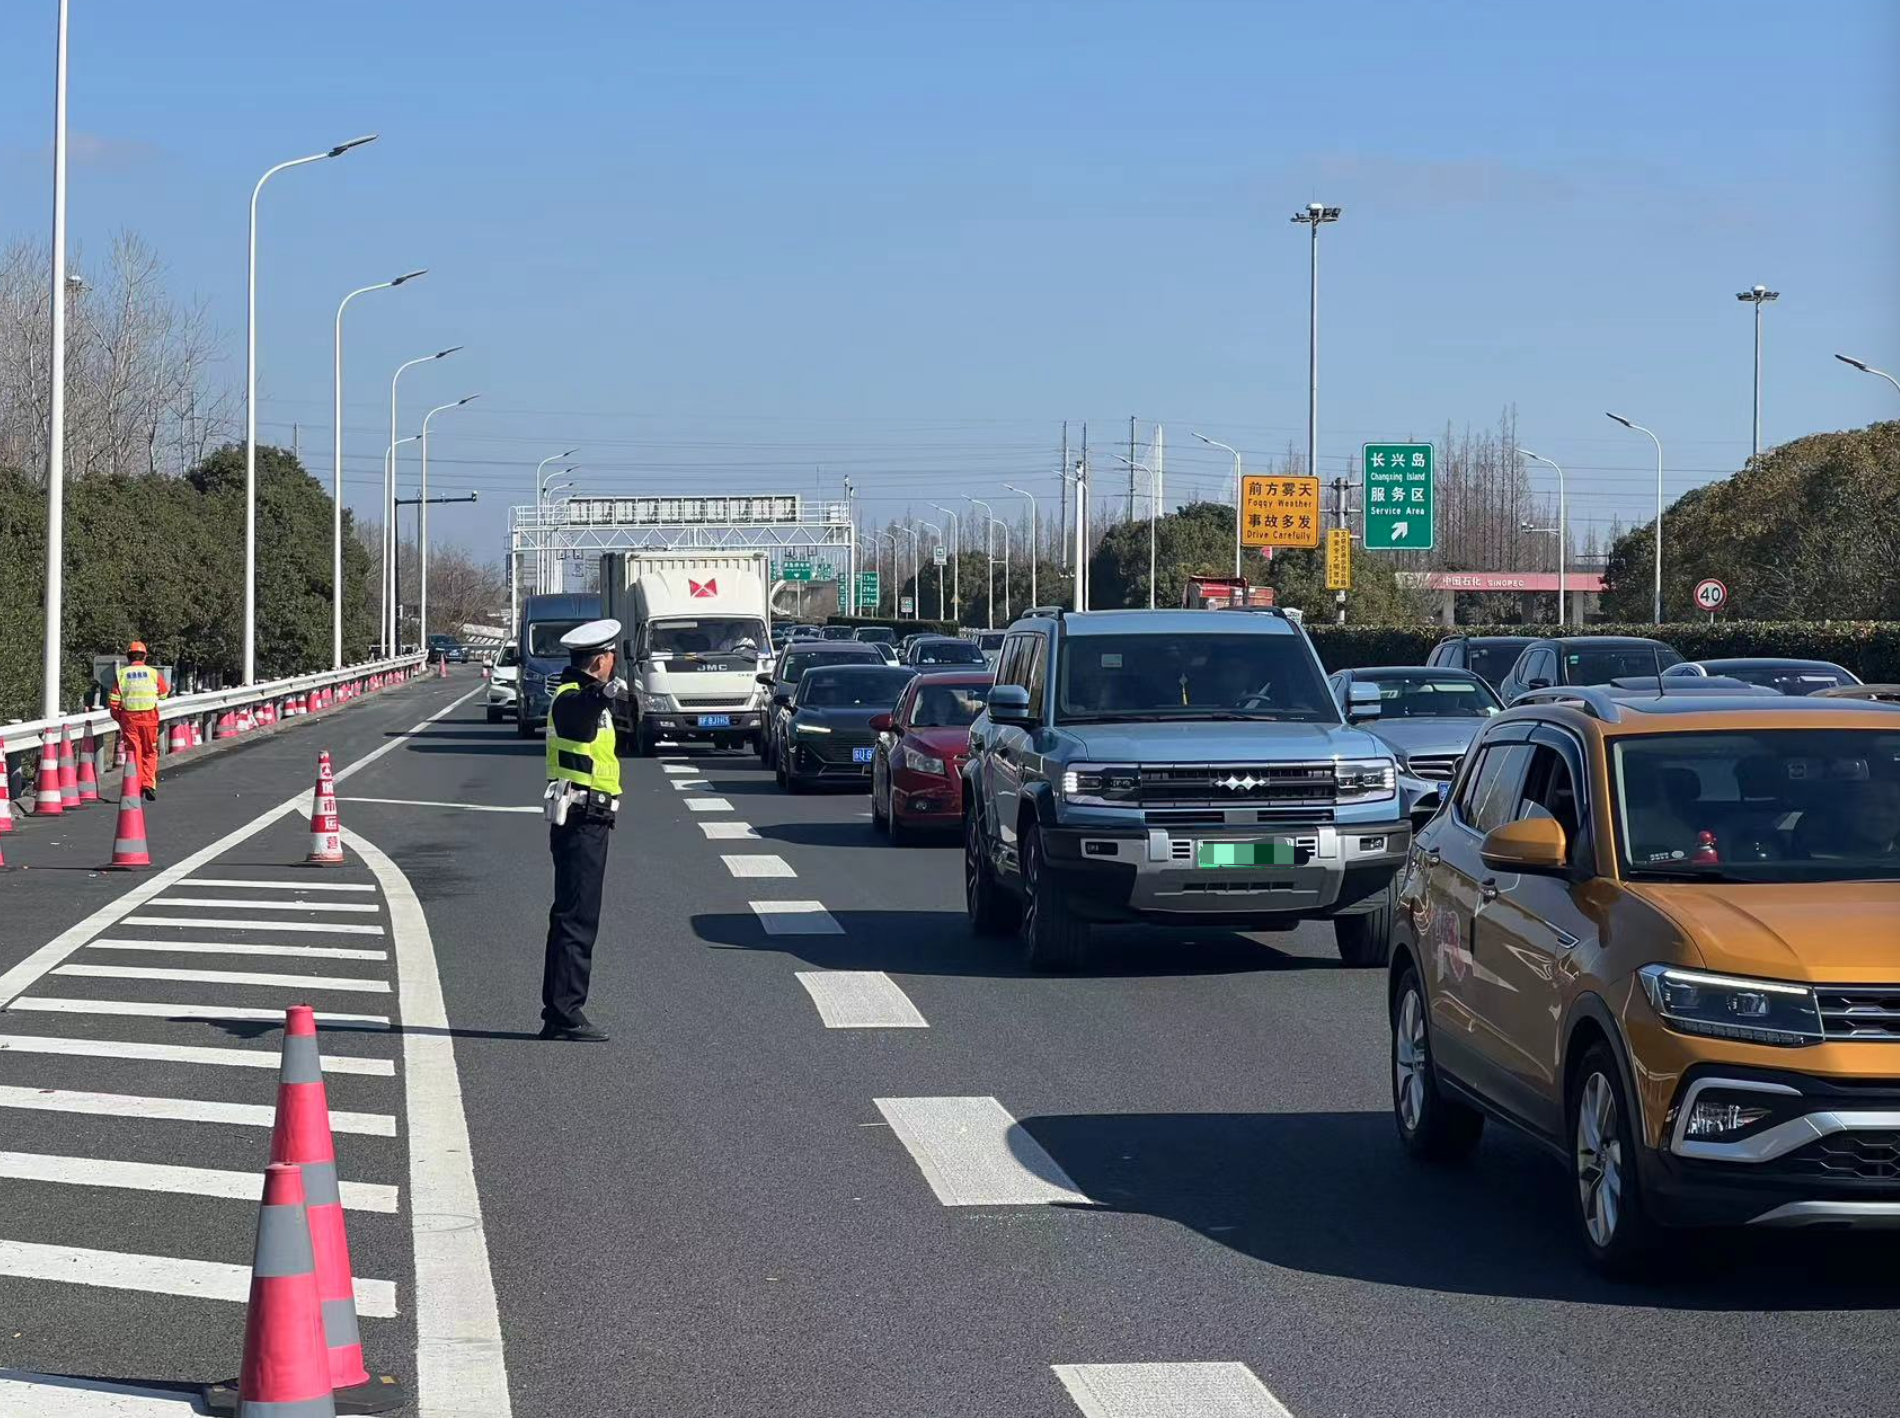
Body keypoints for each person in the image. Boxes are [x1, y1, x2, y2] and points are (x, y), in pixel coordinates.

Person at [539, 618, 628, 1042]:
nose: (614, 664)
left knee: (574, 916)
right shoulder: (571, 698)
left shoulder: (586, 697)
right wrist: (602, 694)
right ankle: (564, 1012)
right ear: (600, 660)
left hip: (592, 818)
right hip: (580, 818)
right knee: (576, 919)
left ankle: (561, 1010)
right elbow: (577, 720)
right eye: (611, 657)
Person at [109, 640, 170, 801]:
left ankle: (134, 787)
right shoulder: (152, 673)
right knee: (149, 751)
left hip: (129, 719)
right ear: (145, 657)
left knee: (134, 752)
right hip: (149, 717)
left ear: (128, 657)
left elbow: (114, 702)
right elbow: (164, 694)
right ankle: (148, 784)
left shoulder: (121, 674)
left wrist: (120, 719)